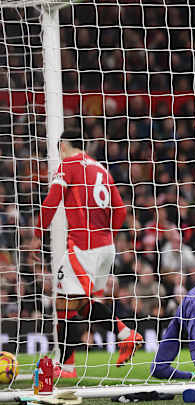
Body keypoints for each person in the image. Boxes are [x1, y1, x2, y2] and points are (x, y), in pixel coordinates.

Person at [30, 129, 143, 377]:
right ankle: (123, 336)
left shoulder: (68, 164)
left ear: (62, 147)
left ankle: (72, 364)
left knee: (62, 302)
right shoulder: (101, 168)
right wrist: (106, 235)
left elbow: (51, 201)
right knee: (77, 304)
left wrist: (36, 236)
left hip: (84, 246)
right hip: (106, 247)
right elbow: (121, 210)